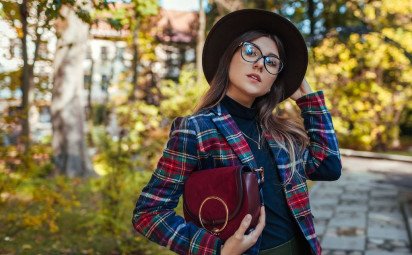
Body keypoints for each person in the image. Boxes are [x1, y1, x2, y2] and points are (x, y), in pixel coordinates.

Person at [132, 9, 342, 255]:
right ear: (229, 56)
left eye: (271, 62)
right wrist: (217, 250)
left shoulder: (282, 134)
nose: (259, 64)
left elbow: (329, 167)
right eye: (251, 51)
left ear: (274, 80)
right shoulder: (196, 130)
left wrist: (311, 103)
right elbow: (149, 213)